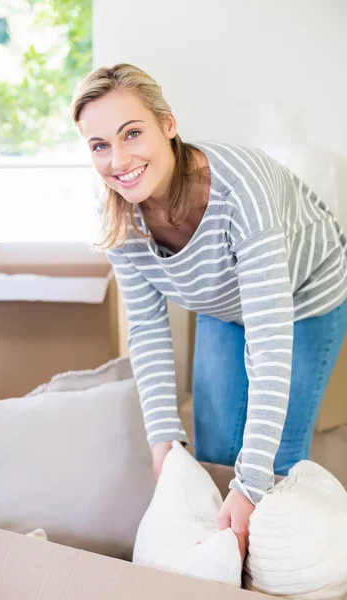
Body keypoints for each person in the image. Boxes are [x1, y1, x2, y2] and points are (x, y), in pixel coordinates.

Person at [71, 63, 347, 561]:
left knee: (274, 471)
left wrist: (252, 485)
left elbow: (268, 337)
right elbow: (149, 331)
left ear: (169, 125)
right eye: (99, 145)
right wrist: (164, 445)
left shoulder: (242, 191)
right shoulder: (118, 221)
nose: (119, 159)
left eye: (132, 133)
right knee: (214, 458)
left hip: (303, 296)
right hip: (224, 303)